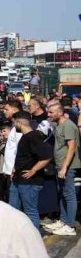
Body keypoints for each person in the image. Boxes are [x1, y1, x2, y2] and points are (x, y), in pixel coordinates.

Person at [9, 111, 53, 231]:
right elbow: (25, 156)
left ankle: (34, 239)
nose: (14, 126)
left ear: (20, 122)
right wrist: (15, 168)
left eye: (14, 123)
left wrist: (33, 170)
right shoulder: (25, 137)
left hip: (29, 182)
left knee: (30, 210)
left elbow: (47, 156)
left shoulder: (33, 137)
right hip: (18, 179)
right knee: (13, 209)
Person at [46, 101, 78, 236]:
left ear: (60, 112)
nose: (49, 115)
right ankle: (64, 221)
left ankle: (70, 225)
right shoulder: (59, 124)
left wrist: (64, 168)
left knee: (69, 195)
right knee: (62, 194)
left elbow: (71, 148)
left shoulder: (68, 126)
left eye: (51, 112)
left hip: (67, 166)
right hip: (59, 165)